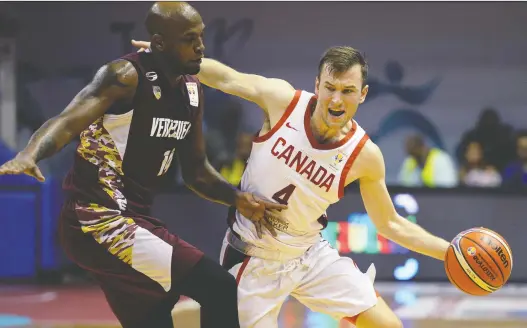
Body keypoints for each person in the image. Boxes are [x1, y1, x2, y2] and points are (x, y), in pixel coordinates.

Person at [0, 3, 286, 328]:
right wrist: (30, 153)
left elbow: (196, 172)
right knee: (217, 286)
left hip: (134, 216)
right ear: (160, 43)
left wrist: (238, 199)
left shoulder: (192, 90)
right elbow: (67, 120)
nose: (200, 46)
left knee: (154, 315)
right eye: (189, 39)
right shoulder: (125, 77)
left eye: (201, 37)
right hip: (96, 219)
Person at [130, 42, 451, 327]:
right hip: (255, 257)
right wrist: (175, 61)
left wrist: (450, 254)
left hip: (310, 254)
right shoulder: (284, 102)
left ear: (363, 94)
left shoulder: (365, 155)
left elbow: (392, 223)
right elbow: (228, 78)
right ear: (317, 85)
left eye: (348, 91)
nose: (336, 100)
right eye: (330, 87)